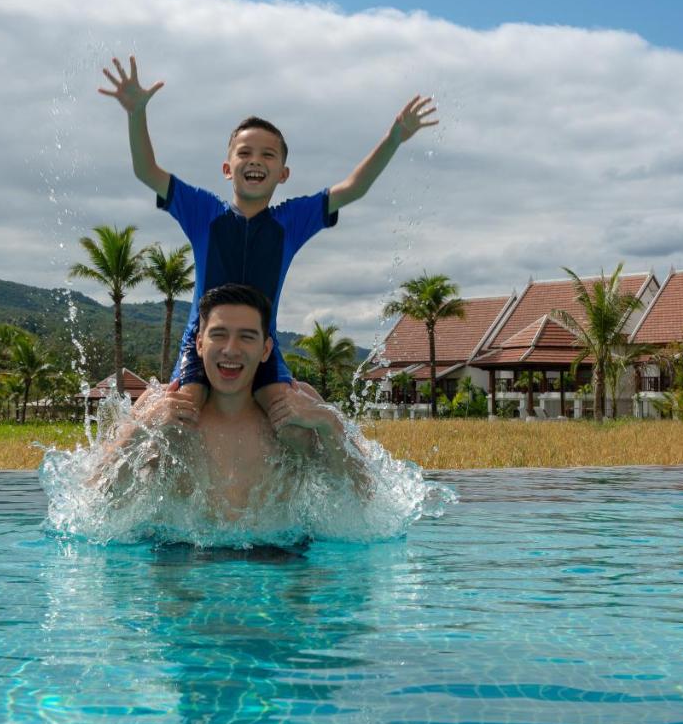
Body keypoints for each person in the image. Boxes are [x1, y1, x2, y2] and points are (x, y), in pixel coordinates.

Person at [98, 55, 437, 440]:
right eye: (244, 153)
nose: (255, 161)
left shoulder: (290, 221)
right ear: (227, 168)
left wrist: (394, 137)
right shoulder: (203, 212)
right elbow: (147, 172)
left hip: (262, 345)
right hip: (203, 341)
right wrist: (136, 113)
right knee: (183, 411)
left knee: (289, 422)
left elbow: (353, 188)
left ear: (283, 173)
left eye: (267, 155)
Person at [92, 284, 370, 515]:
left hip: (278, 559)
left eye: (246, 337)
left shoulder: (301, 404)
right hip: (181, 559)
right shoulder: (159, 404)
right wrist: (143, 427)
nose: (231, 349)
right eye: (219, 335)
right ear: (200, 344)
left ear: (266, 349)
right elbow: (93, 498)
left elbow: (365, 498)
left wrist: (327, 421)